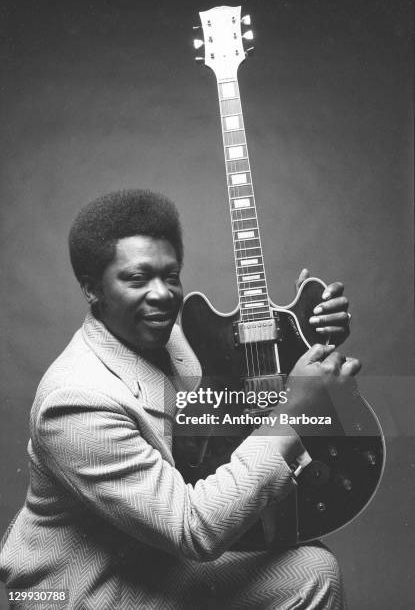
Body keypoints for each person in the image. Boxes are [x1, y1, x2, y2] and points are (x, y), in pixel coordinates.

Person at [0, 189, 356, 609]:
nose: (163, 294)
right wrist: (295, 409)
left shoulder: (171, 339)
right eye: (137, 278)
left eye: (171, 276)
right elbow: (193, 529)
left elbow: (247, 398)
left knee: (312, 571)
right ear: (92, 288)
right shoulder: (74, 401)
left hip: (148, 557)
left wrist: (308, 334)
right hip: (87, 589)